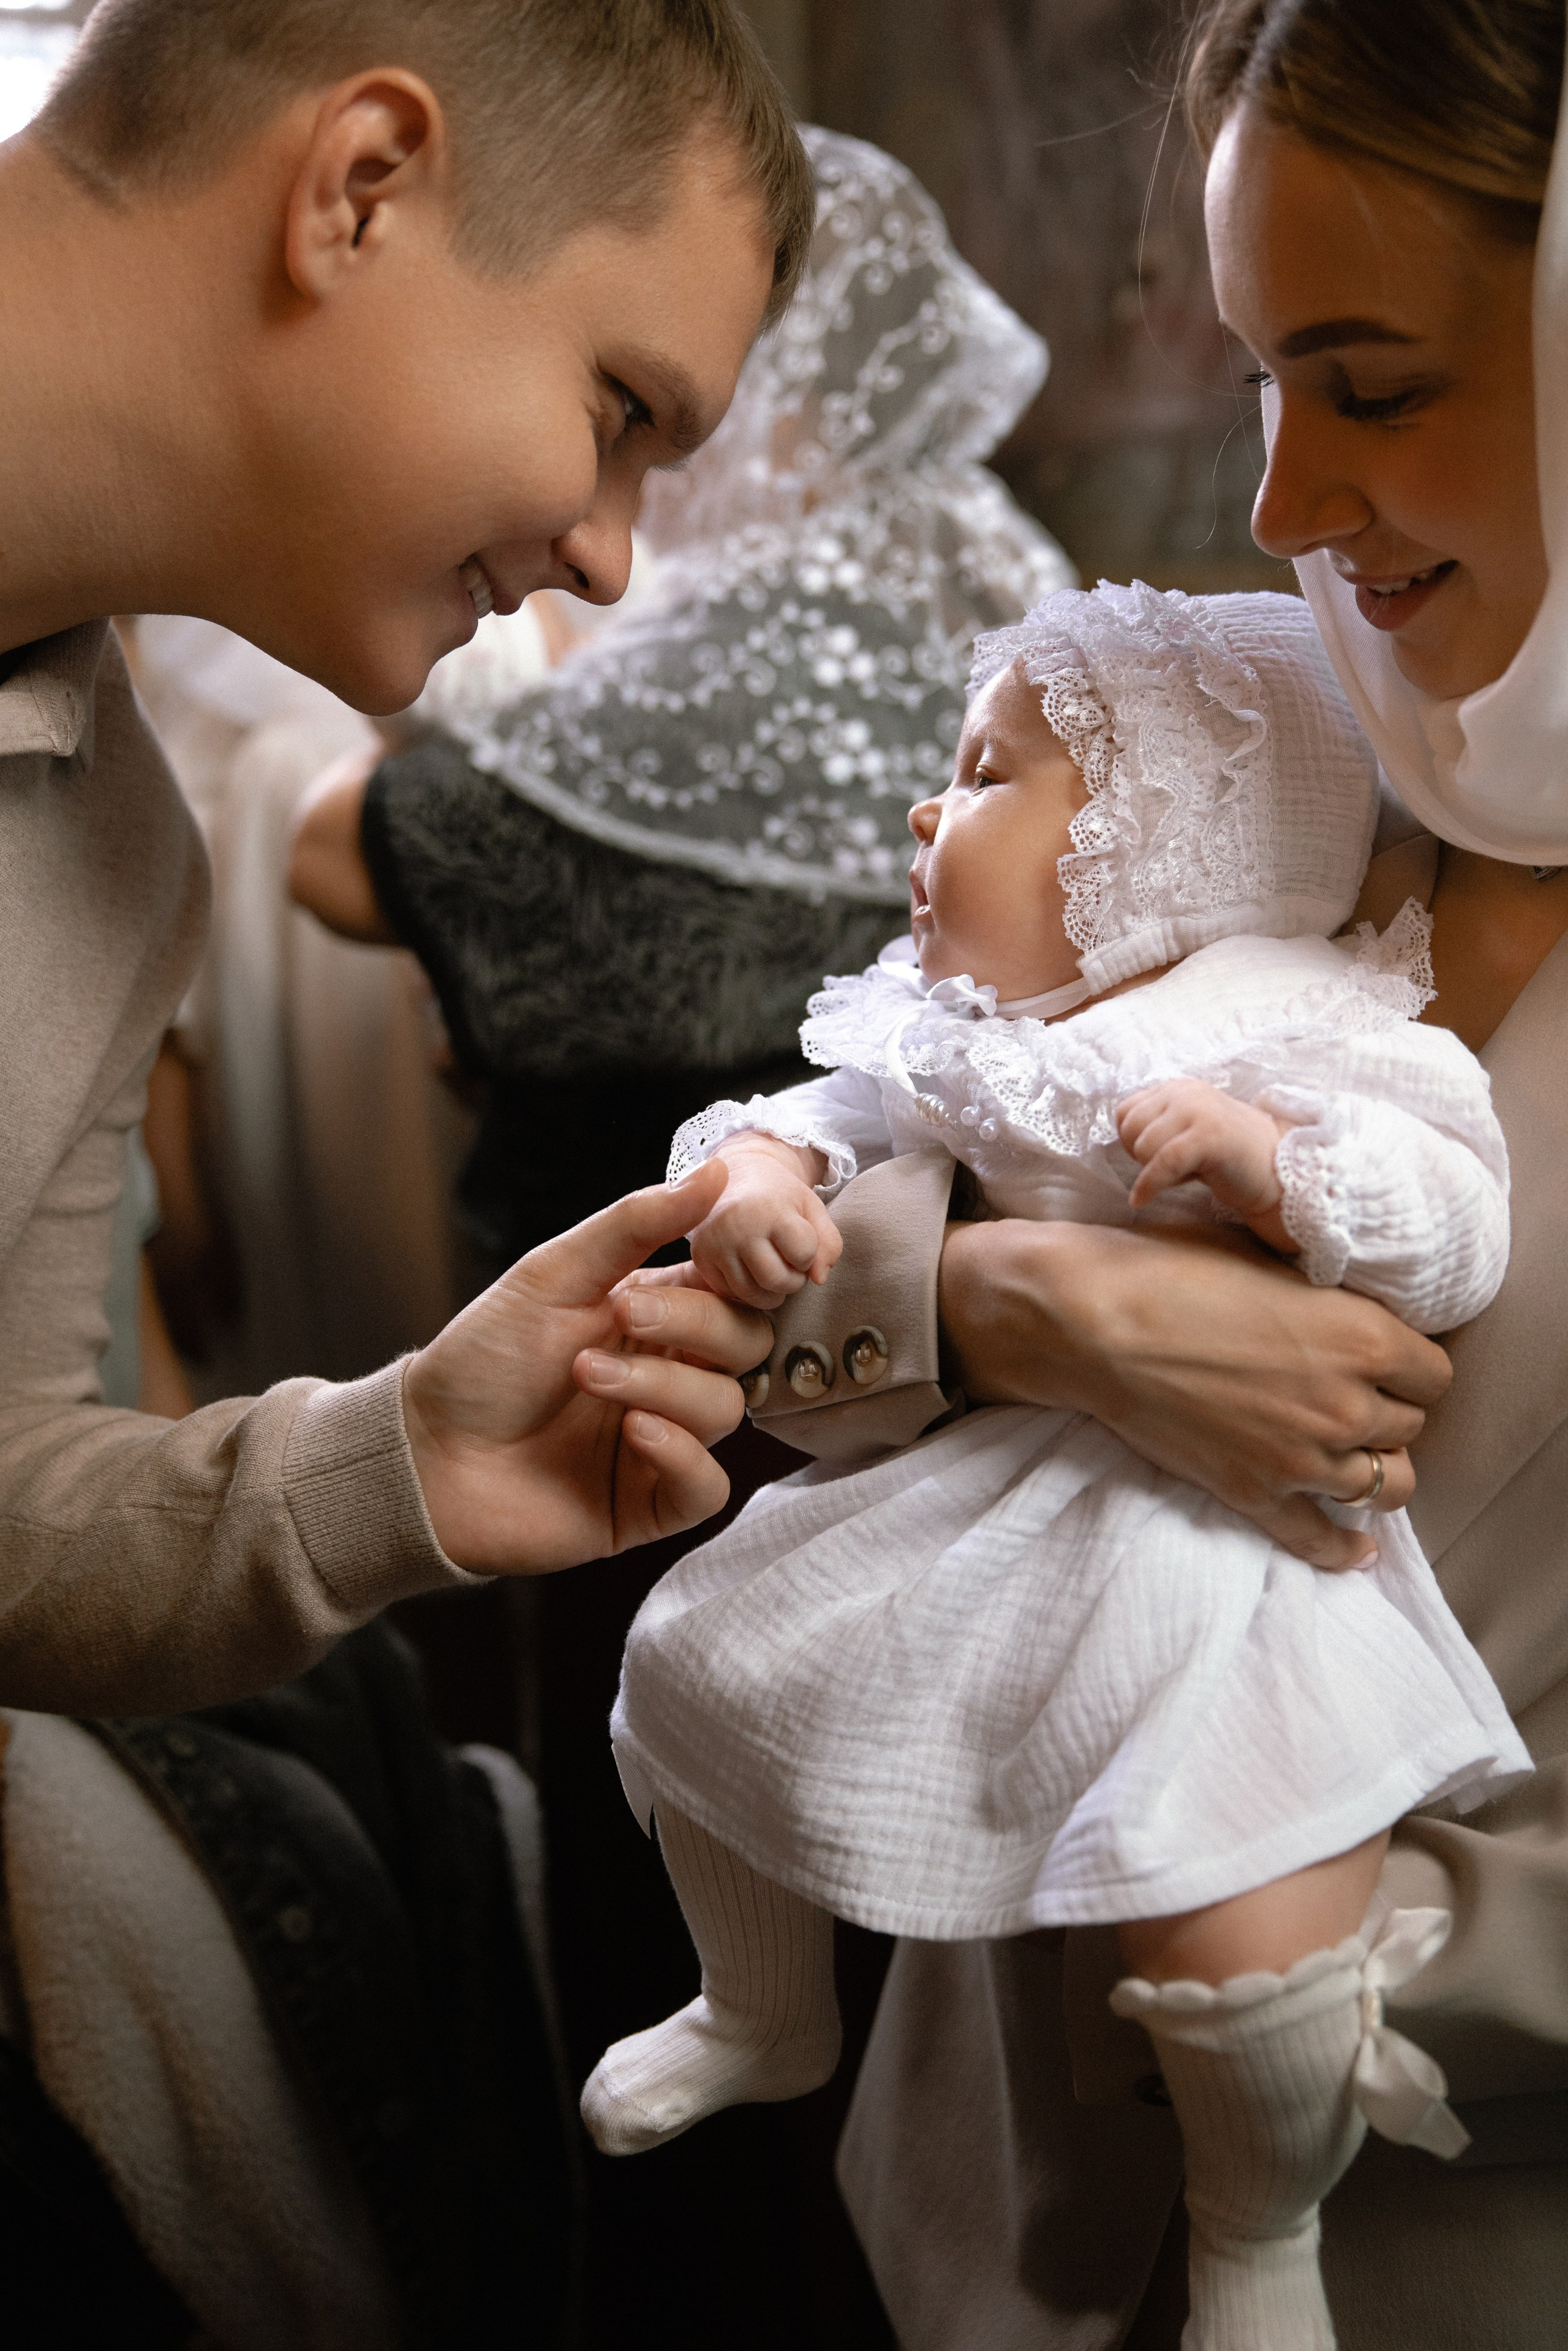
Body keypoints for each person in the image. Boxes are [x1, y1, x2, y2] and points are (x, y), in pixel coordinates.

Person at [760, 3, 1568, 2345]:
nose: (1279, 501)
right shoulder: (1257, 750)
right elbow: (775, 1277)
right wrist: (1016, 1301)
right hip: (967, 2234)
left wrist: (1246, 1946)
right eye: (1255, 380)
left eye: (1375, 380)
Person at [582, 582, 1528, 2350]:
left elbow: (1453, 1222)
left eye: (988, 771)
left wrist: (1285, 1171)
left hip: (1226, 1559)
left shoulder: (1305, 1023)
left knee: (1239, 1915)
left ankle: (1263, 2234)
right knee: (695, 1651)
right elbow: (797, 1127)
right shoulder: (966, 1037)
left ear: (1173, 839)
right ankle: (760, 1997)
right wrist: (771, 1189)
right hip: (997, 1510)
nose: (929, 815)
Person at [0, 0, 808, 1717]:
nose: (606, 555)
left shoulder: (118, 850)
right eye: (617, 409)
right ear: (359, 190)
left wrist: (398, 1460)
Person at [286, 124, 1074, 1265]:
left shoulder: (757, 638)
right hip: (941, 1254)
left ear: (791, 406)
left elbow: (332, 857)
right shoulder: (1009, 573)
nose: (647, 485)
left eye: (674, 421)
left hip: (673, 1280)